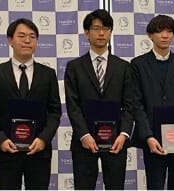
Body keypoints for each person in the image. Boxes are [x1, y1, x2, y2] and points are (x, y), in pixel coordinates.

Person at [0, 18, 61, 189]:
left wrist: (43, 139)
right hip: (7, 151)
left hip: (38, 152)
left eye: (32, 37)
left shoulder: (48, 74)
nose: (27, 41)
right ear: (10, 40)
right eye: (22, 36)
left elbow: (55, 112)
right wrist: (0, 139)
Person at [64, 9, 134, 189]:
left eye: (106, 28)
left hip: (116, 141)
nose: (101, 33)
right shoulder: (74, 67)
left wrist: (124, 134)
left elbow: (129, 105)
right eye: (96, 28)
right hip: (84, 142)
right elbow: (73, 105)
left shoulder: (124, 67)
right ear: (86, 33)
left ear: (111, 32)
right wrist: (84, 135)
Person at [131, 14, 174, 190]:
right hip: (153, 139)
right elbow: (136, 104)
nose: (165, 35)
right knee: (154, 185)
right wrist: (148, 136)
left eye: (169, 31)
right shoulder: (138, 64)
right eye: (159, 31)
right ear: (149, 35)